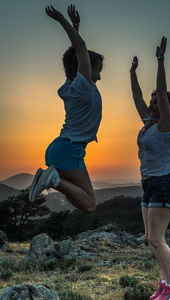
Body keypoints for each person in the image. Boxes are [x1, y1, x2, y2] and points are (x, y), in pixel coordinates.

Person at [29, 5, 103, 213]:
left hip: (63, 149)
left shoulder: (71, 85)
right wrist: (63, 20)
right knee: (89, 205)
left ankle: (52, 178)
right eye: (98, 69)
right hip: (69, 150)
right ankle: (52, 179)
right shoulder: (83, 86)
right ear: (87, 68)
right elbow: (79, 49)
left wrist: (76, 25)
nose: (99, 75)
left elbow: (74, 55)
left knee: (83, 199)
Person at [130, 37, 170, 300]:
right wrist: (132, 73)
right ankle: (165, 282)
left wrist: (160, 60)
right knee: (150, 237)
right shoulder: (149, 124)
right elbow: (138, 97)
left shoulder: (165, 125)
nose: (152, 105)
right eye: (152, 103)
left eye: (157, 103)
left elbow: (160, 93)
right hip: (149, 185)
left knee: (157, 238)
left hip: (163, 183)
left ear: (165, 108)